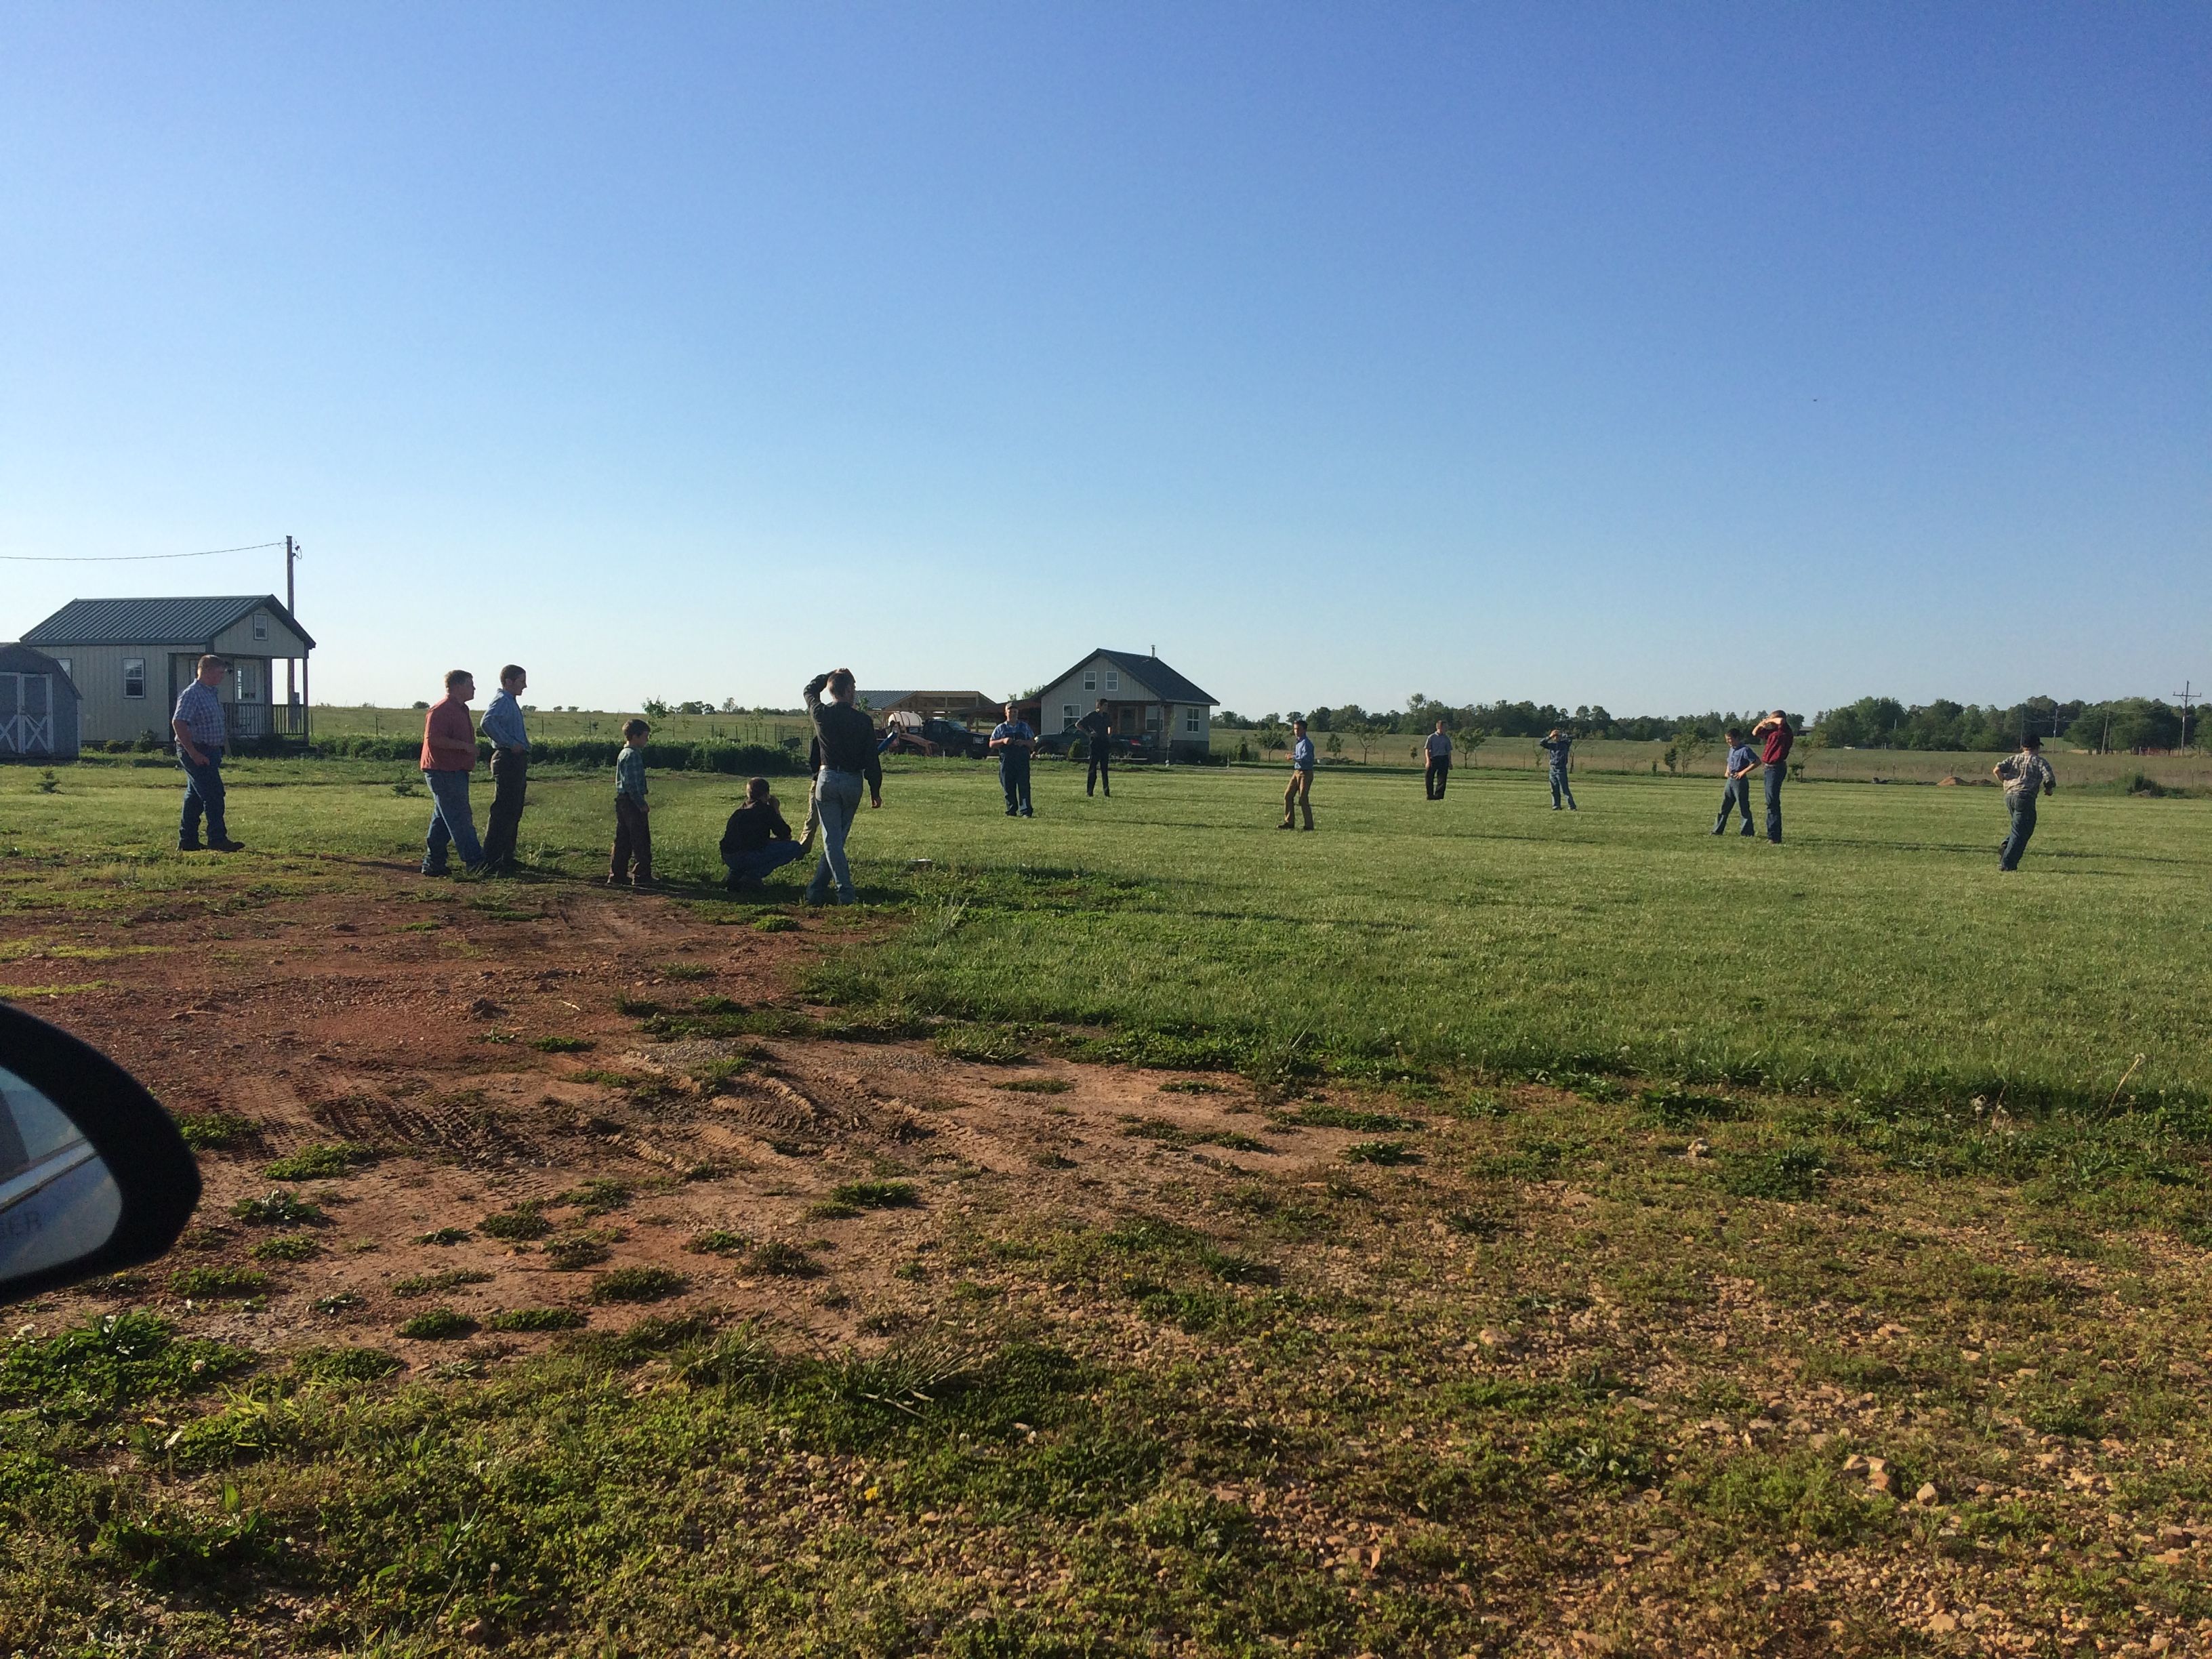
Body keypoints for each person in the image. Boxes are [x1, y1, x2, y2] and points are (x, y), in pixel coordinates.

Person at [802, 669, 883, 905]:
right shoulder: (863, 721)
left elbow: (809, 690)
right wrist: (875, 789)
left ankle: (818, 891)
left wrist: (830, 673)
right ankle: (843, 893)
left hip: (827, 779)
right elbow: (871, 758)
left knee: (832, 842)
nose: (856, 693)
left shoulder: (821, 714)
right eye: (854, 688)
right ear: (847, 690)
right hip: (852, 782)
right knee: (835, 841)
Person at [171, 654, 241, 853]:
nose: (222, 676)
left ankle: (188, 840)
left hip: (210, 751)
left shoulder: (211, 692)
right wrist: (193, 753)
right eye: (220, 672)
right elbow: (179, 722)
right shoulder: (192, 694)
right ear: (207, 670)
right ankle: (217, 838)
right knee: (214, 794)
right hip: (196, 750)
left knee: (194, 796)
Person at [419, 670, 485, 876]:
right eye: (470, 684)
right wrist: (465, 747)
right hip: (443, 770)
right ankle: (475, 862)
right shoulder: (441, 710)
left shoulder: (461, 709)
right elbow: (434, 740)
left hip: (454, 770)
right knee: (459, 817)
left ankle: (434, 863)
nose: (474, 688)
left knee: (443, 819)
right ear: (457, 686)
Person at [478, 664, 530, 875]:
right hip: (508, 759)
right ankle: (492, 860)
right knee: (504, 811)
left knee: (513, 810)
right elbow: (487, 722)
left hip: (514, 759)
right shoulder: (503, 701)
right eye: (521, 681)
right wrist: (510, 743)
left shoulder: (510, 701)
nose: (525, 686)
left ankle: (505, 857)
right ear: (508, 682)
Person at [720, 776, 804, 891]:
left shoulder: (741, 809)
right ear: (766, 794)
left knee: (751, 849)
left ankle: (735, 875)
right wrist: (776, 810)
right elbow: (785, 834)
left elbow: (751, 838)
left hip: (729, 857)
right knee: (794, 847)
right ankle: (752, 876)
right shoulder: (765, 810)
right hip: (747, 856)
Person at [1993, 733, 2057, 872]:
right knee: (2023, 831)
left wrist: (2004, 781)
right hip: (2025, 797)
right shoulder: (2040, 761)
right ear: (2037, 747)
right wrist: (2049, 789)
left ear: (2023, 747)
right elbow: (2049, 778)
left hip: (2009, 797)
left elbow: (1997, 769)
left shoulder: (2013, 758)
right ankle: (2007, 863)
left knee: (2020, 828)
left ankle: (2007, 844)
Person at [609, 718, 652, 886]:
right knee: (640, 839)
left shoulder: (623, 753)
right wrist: (641, 803)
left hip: (622, 801)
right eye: (645, 736)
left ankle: (617, 875)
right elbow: (631, 783)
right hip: (632, 802)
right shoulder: (633, 755)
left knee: (623, 839)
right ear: (635, 736)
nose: (647, 740)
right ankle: (642, 876)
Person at [1750, 710, 1794, 843]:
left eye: (1772, 719)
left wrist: (1770, 720)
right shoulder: (1773, 733)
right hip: (1768, 769)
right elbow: (1755, 733)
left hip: (1776, 768)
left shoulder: (1784, 731)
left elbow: (1781, 721)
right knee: (1770, 801)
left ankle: (1774, 836)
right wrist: (1762, 724)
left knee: (1772, 802)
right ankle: (1772, 834)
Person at [989, 702, 1037, 817]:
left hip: (1022, 762)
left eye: (1015, 712)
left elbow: (1033, 742)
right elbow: (991, 743)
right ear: (1006, 713)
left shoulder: (1024, 727)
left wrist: (1024, 743)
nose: (1013, 714)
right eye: (1010, 712)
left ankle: (1025, 811)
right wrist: (1003, 741)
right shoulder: (1000, 728)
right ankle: (1011, 810)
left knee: (1024, 786)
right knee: (1008, 786)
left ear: (1018, 713)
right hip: (1007, 762)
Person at [1712, 727, 1758, 836]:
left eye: (1730, 739)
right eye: (1727, 739)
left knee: (1743, 807)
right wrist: (1727, 770)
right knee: (1724, 806)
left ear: (1737, 738)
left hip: (1740, 781)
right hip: (1730, 780)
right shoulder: (1732, 749)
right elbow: (1729, 761)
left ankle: (1747, 832)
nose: (1728, 741)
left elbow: (1756, 762)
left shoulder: (1745, 750)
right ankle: (1717, 830)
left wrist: (1743, 772)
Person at [1278, 718, 1316, 830]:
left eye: (1298, 729)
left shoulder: (1306, 743)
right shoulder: (1299, 743)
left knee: (1303, 799)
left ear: (1304, 730)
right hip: (1297, 772)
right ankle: (1289, 822)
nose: (1296, 731)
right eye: (1295, 729)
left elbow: (1307, 758)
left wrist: (1293, 757)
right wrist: (1294, 755)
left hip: (1305, 773)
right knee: (1288, 795)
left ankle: (1309, 826)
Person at [1077, 699, 1115, 798]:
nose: (1106, 707)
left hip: (1105, 743)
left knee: (1104, 768)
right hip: (1095, 743)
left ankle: (1107, 792)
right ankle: (1090, 792)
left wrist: (1109, 734)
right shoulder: (1092, 715)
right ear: (1100, 706)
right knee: (1093, 767)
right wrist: (1088, 734)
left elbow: (1110, 725)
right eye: (1105, 705)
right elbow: (1078, 724)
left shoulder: (1106, 716)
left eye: (1107, 705)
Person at [1538, 728, 1577, 811]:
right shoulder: (1551, 745)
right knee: (1554, 789)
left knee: (1564, 789)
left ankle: (1572, 806)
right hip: (1552, 769)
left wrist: (1561, 734)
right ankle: (1556, 806)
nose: (1556, 737)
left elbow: (1571, 738)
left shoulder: (1565, 744)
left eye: (1557, 736)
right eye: (1554, 736)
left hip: (1561, 769)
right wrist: (1550, 736)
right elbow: (1542, 743)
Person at [1423, 720, 1453, 800]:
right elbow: (1427, 749)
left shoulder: (1446, 738)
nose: (1446, 729)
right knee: (1429, 777)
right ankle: (1430, 795)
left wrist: (1450, 762)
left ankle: (1439, 795)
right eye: (1445, 727)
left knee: (1442, 778)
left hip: (1443, 759)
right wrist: (1428, 761)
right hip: (1433, 759)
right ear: (1440, 727)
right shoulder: (1431, 737)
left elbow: (1449, 751)